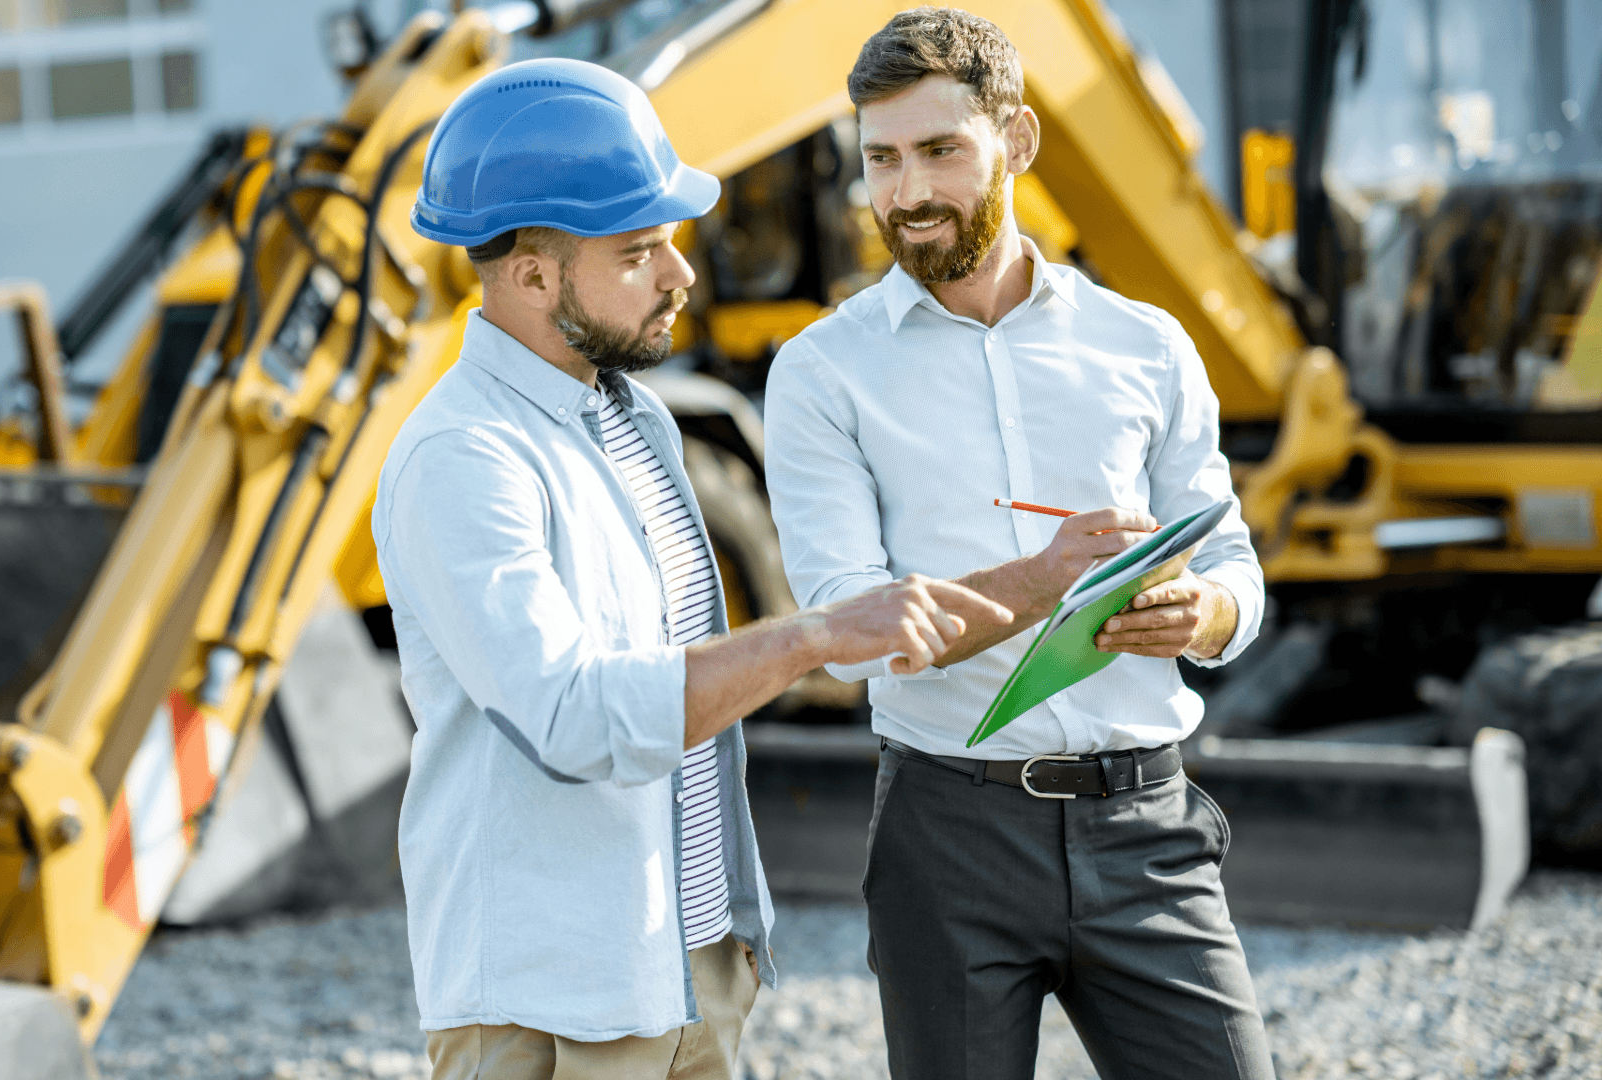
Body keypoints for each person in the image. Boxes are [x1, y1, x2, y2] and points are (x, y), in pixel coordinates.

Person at [375, 57, 1009, 1080]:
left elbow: (676, 687)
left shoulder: (638, 424)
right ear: (533, 275)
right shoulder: (464, 459)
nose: (681, 275)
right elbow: (574, 719)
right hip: (555, 1007)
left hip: (687, 963)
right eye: (640, 252)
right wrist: (809, 637)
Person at [762, 9, 1275, 1079]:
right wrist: (1045, 579)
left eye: (941, 150)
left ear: (1018, 141)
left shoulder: (1149, 346)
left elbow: (1235, 568)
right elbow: (851, 633)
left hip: (1149, 828)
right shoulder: (821, 373)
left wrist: (1206, 613)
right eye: (883, 160)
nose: (908, 195)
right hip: (948, 834)